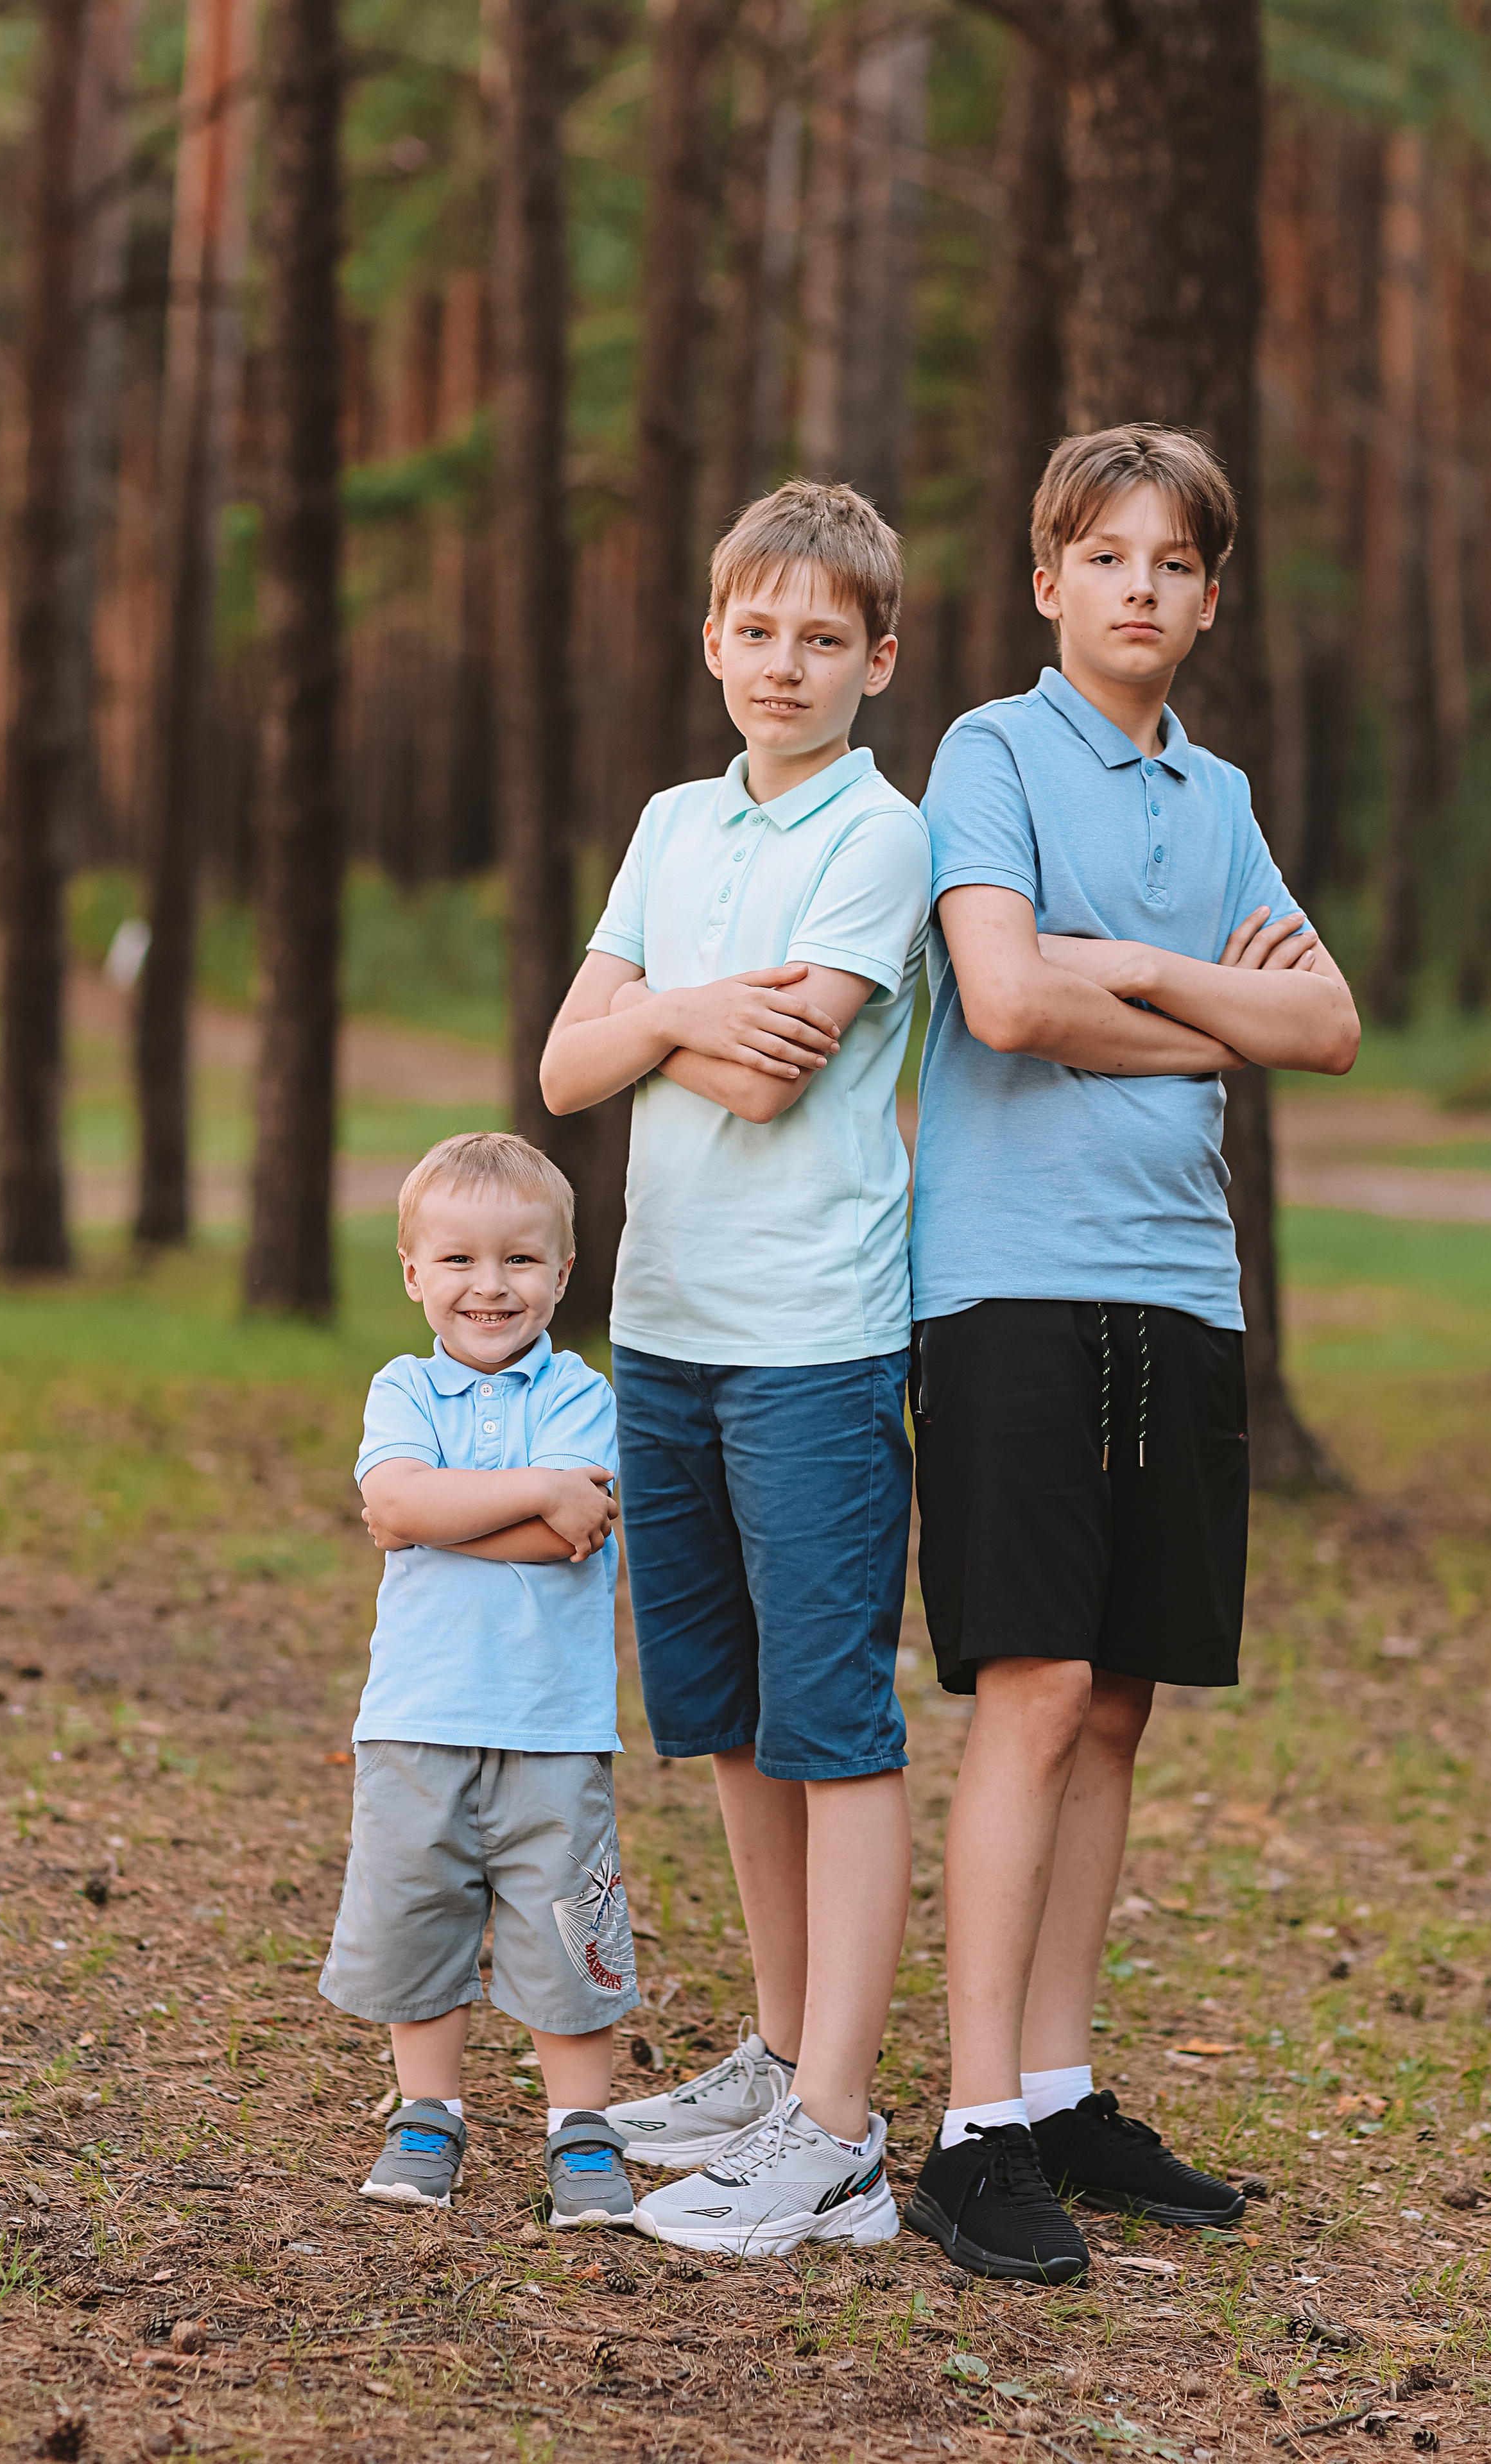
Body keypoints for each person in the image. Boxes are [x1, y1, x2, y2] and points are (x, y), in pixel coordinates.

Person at [902, 425, 1361, 2284]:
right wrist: (1206, 1007)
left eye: (1174, 565)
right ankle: (970, 2124)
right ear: (1047, 583)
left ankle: (1065, 2089)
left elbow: (1321, 1025)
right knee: (1032, 1681)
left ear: (1209, 598)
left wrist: (1153, 980)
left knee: (1121, 1699)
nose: (1142, 590)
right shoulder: (990, 754)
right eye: (1108, 558)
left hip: (1183, 1284)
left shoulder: (1225, 796)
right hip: (1013, 1278)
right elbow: (1001, 999)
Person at [538, 479, 931, 2255]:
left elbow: (777, 1081)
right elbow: (562, 1068)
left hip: (815, 1341)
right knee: (725, 1723)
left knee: (832, 1726)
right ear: (712, 642)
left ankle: (840, 2135)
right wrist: (689, 1009)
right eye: (756, 631)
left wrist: (648, 1031)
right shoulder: (672, 821)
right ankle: (778, 2061)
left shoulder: (881, 836)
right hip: (667, 1329)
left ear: (879, 661)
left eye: (822, 639)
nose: (785, 664)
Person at [320, 1132, 641, 2230]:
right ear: (413, 1274)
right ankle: (428, 2111)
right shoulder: (402, 1386)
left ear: (561, 1271)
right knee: (420, 1915)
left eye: (519, 1261)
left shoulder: (581, 1393)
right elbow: (395, 1509)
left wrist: (454, 1518)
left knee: (566, 1926)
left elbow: (576, 1532)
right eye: (458, 1261)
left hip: (554, 1725)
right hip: (416, 1717)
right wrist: (529, 1500)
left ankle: (580, 2128)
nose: (489, 1286)